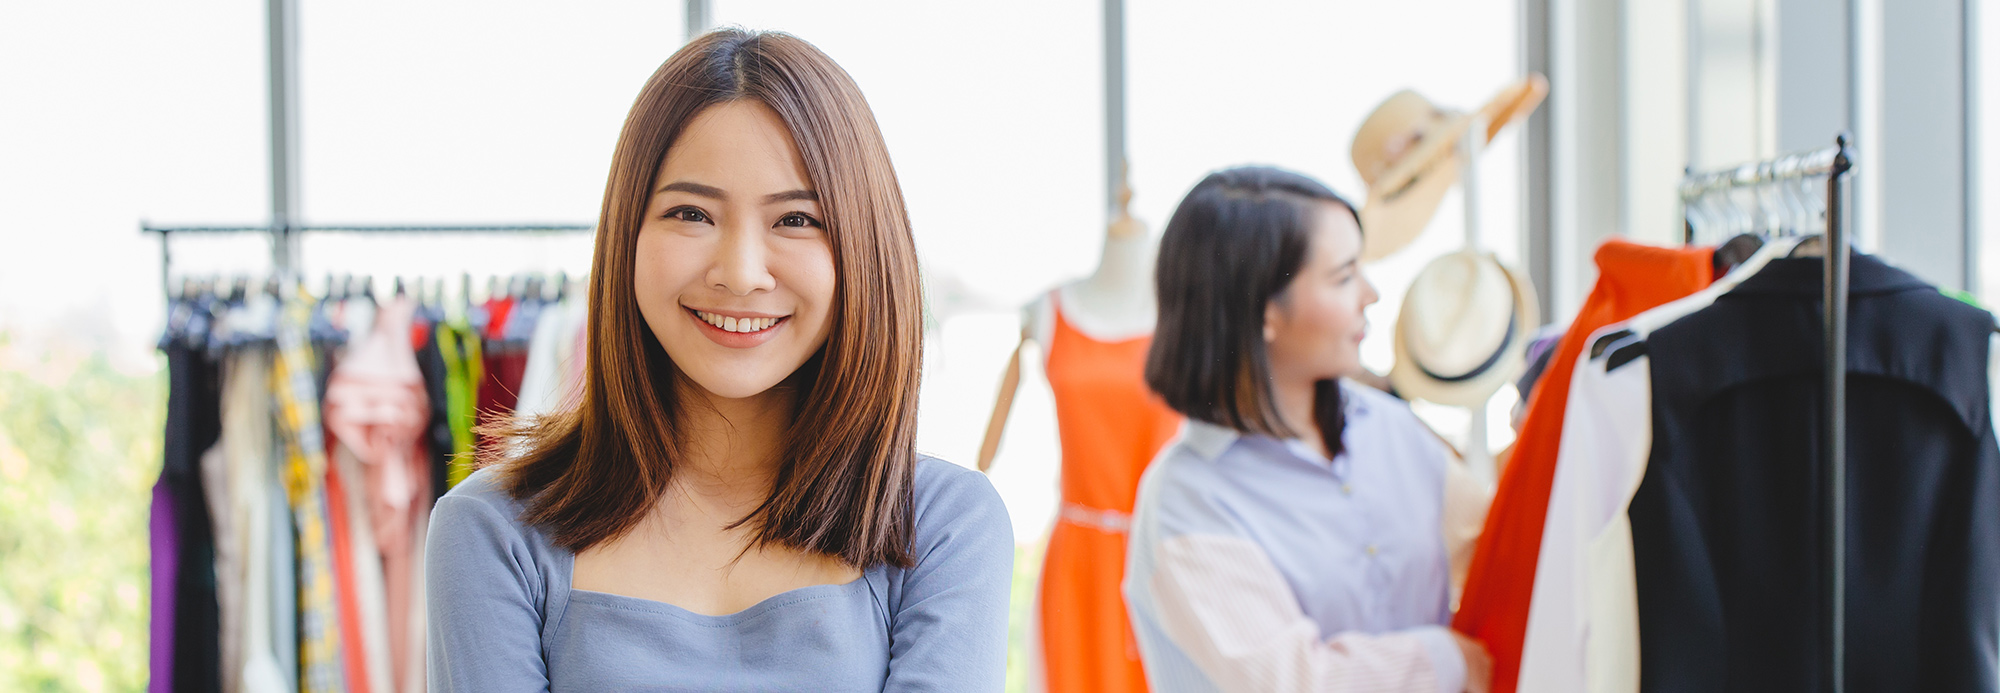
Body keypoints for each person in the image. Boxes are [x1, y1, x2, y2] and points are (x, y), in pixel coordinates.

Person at [424, 29, 1013, 692]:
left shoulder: (945, 525)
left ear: (862, 250)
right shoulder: (491, 533)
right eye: (691, 213)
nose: (740, 273)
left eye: (795, 220)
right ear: (627, 238)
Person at [1123, 166, 1492, 693]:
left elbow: (1490, 548)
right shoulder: (1188, 502)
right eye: (1343, 277)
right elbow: (1293, 684)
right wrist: (1451, 660)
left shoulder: (1388, 428)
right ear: (1263, 312)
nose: (1372, 293)